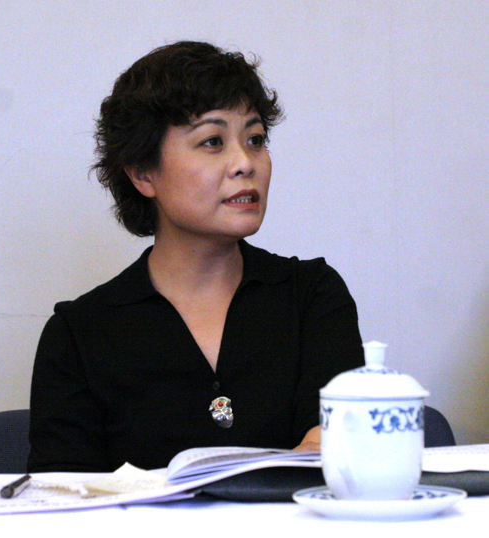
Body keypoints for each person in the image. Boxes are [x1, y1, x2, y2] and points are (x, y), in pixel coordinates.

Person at [27, 41, 364, 473]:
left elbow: (336, 446)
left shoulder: (312, 295)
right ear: (143, 173)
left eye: (255, 140)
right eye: (212, 142)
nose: (245, 163)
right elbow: (62, 494)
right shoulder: (79, 334)